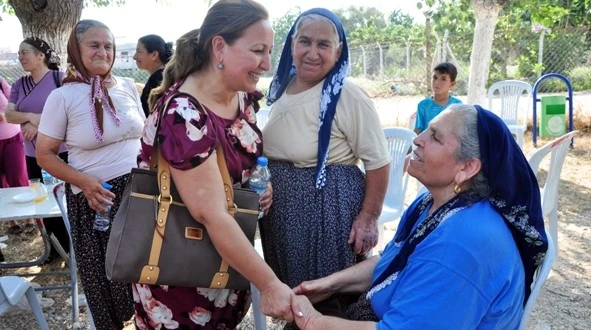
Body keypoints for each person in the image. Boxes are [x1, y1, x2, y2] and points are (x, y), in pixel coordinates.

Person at [289, 104, 549, 330]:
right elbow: (393, 261)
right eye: (426, 129)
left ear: (467, 167)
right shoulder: (435, 203)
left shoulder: (462, 244)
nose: (418, 139)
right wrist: (328, 285)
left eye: (434, 137)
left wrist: (313, 321)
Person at [132, 1, 294, 328]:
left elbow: (241, 161)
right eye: (258, 50)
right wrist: (270, 284)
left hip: (226, 264)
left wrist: (260, 183)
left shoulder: (242, 97)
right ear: (219, 47)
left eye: (269, 52)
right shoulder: (183, 115)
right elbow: (210, 212)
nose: (266, 63)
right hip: (179, 277)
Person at [262, 7, 390, 318]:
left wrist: (368, 218)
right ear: (292, 44)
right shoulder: (281, 89)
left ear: (339, 50)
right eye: (305, 41)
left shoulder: (347, 94)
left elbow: (378, 161)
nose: (312, 53)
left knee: (328, 295)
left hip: (328, 207)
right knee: (295, 294)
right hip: (284, 209)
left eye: (324, 44)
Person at [35, 19, 144, 329]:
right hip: (99, 197)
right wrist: (83, 181)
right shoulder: (63, 97)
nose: (103, 52)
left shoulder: (125, 86)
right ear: (76, 50)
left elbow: (144, 135)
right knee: (109, 280)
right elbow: (44, 155)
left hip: (139, 193)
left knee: (146, 274)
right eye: (93, 45)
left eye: (108, 46)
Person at [5, 37, 69, 248]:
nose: (20, 57)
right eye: (19, 53)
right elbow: (10, 116)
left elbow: (69, 113)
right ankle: (53, 248)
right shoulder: (19, 84)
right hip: (33, 154)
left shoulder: (60, 79)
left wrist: (39, 124)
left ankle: (72, 246)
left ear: (41, 55)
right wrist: (32, 117)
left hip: (61, 152)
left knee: (66, 200)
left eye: (25, 52)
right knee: (42, 199)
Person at [1, 76, 31, 236]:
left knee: (19, 177)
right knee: (1, 183)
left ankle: (30, 218)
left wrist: (5, 115)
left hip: (12, 137)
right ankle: (11, 220)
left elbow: (14, 106)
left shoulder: (0, 81)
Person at [414, 62, 462, 134]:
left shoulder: (457, 105)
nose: (436, 82)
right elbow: (418, 130)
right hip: (427, 144)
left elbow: (459, 132)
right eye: (435, 77)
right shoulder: (423, 105)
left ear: (452, 84)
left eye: (443, 79)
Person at [133, 34, 173, 116]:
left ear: (154, 55)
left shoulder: (157, 80)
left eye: (138, 51)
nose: (134, 57)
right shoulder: (166, 76)